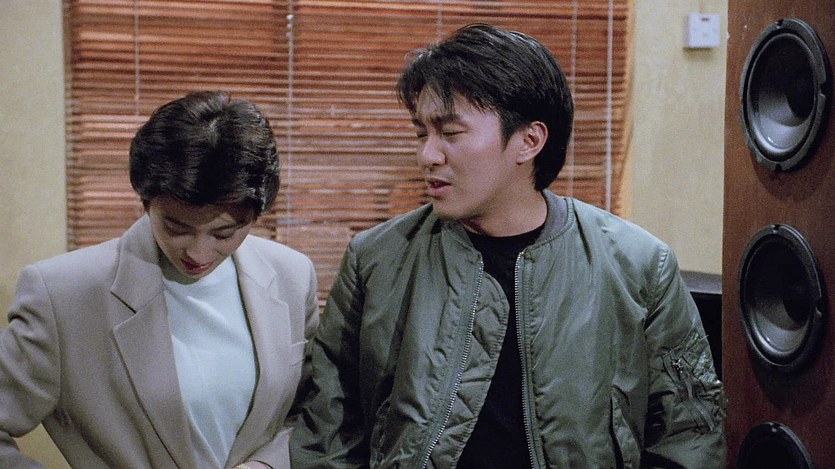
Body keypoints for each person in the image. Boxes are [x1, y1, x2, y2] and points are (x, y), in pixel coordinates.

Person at [290, 24, 726, 468]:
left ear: (529, 141)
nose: (428, 155)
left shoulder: (638, 264)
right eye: (422, 133)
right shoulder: (377, 258)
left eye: (450, 133)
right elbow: (328, 432)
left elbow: (689, 436)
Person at [0, 91, 319, 469]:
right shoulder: (63, 294)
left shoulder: (292, 276)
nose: (198, 253)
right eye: (176, 228)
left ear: (255, 215)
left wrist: (266, 465)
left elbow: (312, 413)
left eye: (224, 233)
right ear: (146, 201)